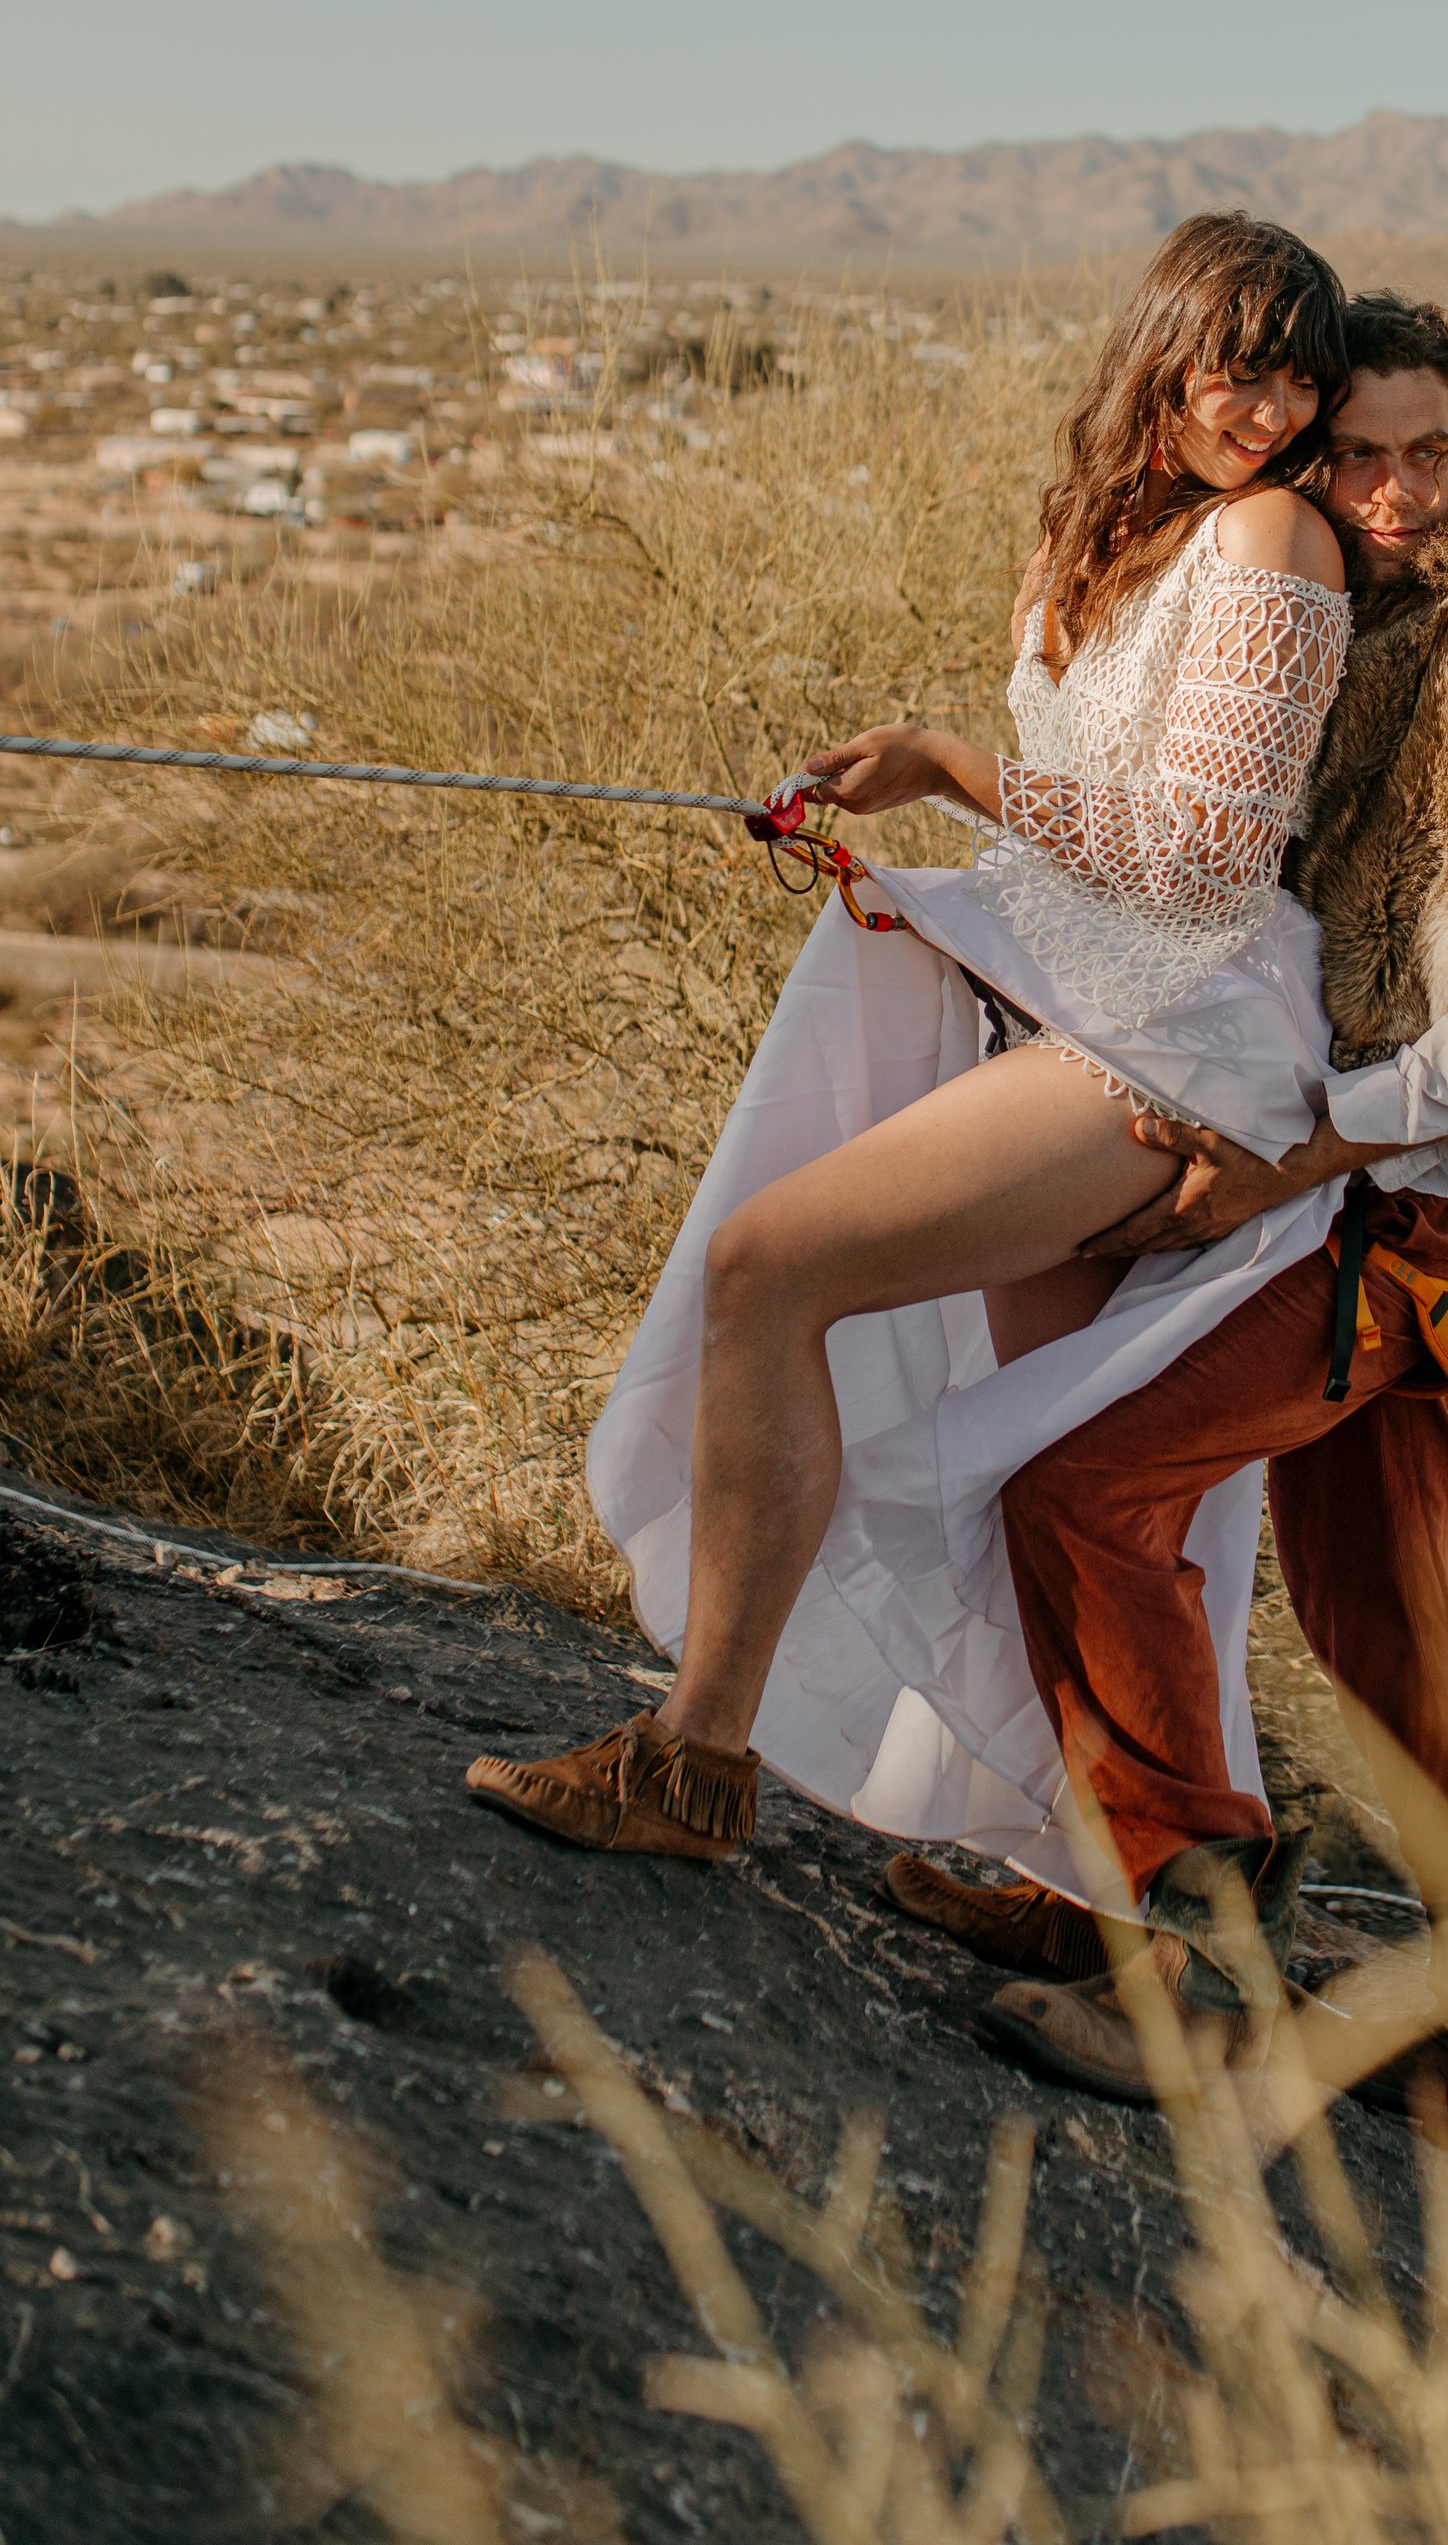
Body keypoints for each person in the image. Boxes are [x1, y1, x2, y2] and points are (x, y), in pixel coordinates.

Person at [887, 291, 1448, 2162]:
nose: (1398, 486)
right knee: (1384, 1619)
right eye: (1360, 450)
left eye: (1430, 448)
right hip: (1395, 1186)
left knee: (1081, 1487)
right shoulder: (1352, 623)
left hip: (1419, 1194)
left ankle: (1196, 1957)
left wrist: (1313, 1144)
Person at [466, 214, 1358, 1870]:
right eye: (1247, 365)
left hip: (1179, 1045)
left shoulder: (1273, 544)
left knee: (769, 1269)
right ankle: (1105, 1876)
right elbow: (1091, 834)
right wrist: (926, 877)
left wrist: (950, 764)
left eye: (1303, 379)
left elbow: (1202, 860)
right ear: (1167, 344)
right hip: (1072, 1006)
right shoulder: (1109, 536)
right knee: (1052, 1471)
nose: (1273, 409)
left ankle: (694, 1760)